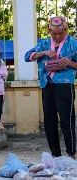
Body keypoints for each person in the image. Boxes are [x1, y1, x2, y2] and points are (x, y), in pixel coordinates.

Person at [25, 16, 77, 159]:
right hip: (47, 85)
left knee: (67, 120)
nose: (57, 36)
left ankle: (71, 153)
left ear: (65, 29)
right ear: (49, 31)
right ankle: (55, 154)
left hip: (64, 85)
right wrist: (45, 53)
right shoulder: (45, 44)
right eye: (54, 33)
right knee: (49, 121)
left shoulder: (73, 44)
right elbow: (27, 56)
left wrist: (70, 63)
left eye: (60, 33)